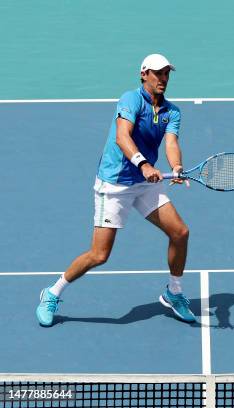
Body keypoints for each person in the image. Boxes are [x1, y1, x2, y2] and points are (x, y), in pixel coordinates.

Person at [36, 54, 195, 327]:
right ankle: (52, 293)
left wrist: (176, 165)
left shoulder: (172, 111)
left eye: (167, 73)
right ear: (144, 74)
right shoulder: (130, 99)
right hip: (115, 182)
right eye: (158, 73)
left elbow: (171, 142)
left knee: (180, 232)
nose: (164, 79)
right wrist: (144, 164)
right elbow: (123, 136)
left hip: (144, 183)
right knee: (99, 255)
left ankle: (174, 292)